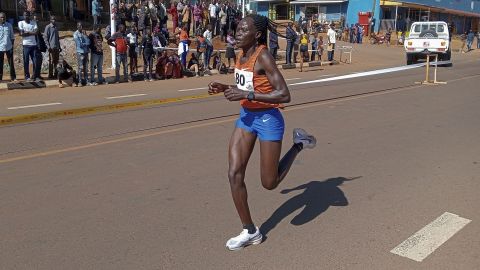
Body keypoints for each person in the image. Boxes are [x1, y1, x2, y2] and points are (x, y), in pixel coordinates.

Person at [207, 14, 316, 251]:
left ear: (256, 35)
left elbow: (285, 94)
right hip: (246, 117)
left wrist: (247, 95)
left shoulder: (263, 56)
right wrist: (226, 88)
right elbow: (248, 86)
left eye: (243, 30)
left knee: (270, 182)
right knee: (234, 174)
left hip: (268, 119)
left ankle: (298, 144)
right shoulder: (240, 54)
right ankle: (250, 231)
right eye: (237, 29)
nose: (237, 33)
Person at [18, 11, 39, 82]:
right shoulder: (21, 23)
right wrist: (31, 33)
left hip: (34, 45)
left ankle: (35, 76)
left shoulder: (33, 22)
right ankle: (27, 77)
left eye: (27, 15)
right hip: (26, 45)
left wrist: (27, 32)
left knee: (35, 61)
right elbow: (21, 34)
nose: (26, 16)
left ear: (30, 15)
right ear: (23, 16)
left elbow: (36, 32)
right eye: (25, 15)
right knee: (26, 61)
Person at [0, 12, 16, 82]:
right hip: (0, 47)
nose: (3, 18)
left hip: (9, 47)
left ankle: (13, 77)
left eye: (4, 17)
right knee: (0, 63)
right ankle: (0, 78)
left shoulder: (9, 25)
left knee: (11, 63)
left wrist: (12, 46)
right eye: (1, 17)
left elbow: (12, 37)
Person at [44, 15, 61, 80]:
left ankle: (55, 74)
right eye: (52, 19)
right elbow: (45, 38)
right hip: (51, 47)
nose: (54, 20)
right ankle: (50, 75)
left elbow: (57, 38)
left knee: (56, 62)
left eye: (55, 19)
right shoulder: (48, 27)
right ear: (50, 20)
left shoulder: (56, 27)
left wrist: (59, 46)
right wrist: (48, 47)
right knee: (51, 61)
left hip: (56, 47)